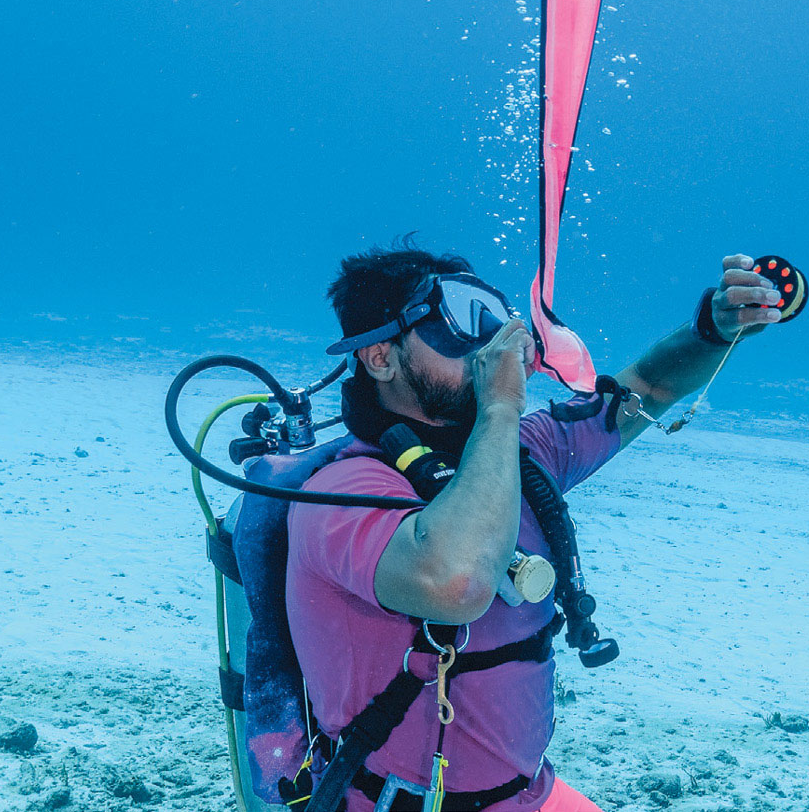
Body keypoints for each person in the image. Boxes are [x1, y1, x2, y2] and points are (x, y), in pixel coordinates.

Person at [286, 240, 783, 811]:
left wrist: (712, 331)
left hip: (527, 793)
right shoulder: (341, 491)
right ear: (381, 357)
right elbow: (455, 582)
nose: (489, 354)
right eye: (461, 330)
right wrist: (499, 408)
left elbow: (648, 387)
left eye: (493, 326)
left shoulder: (525, 452)